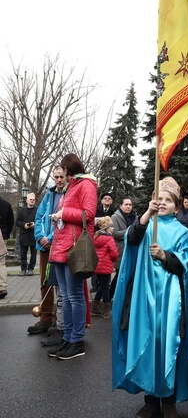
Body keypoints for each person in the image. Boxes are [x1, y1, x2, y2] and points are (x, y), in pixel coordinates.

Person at [112, 177, 188, 418]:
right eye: (160, 199)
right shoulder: (147, 225)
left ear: (177, 207)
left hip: (170, 300)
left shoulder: (183, 232)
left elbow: (185, 264)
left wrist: (164, 256)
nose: (164, 202)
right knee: (147, 344)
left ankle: (168, 401)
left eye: (169, 200)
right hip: (144, 297)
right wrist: (148, 213)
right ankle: (150, 400)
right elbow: (132, 239)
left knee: (169, 345)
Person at [48, 153, 97, 360]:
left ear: (71, 168)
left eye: (64, 171)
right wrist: (57, 219)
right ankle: (67, 337)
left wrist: (63, 214)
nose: (62, 176)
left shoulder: (86, 184)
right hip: (62, 246)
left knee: (75, 296)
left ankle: (77, 340)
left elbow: (89, 214)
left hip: (74, 248)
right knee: (66, 297)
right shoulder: (72, 187)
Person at [27, 166, 66, 337]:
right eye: (56, 176)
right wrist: (41, 237)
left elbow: (62, 220)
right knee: (45, 282)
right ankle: (45, 318)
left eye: (61, 176)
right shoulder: (48, 195)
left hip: (59, 246)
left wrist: (50, 238)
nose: (58, 180)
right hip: (44, 247)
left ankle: (59, 321)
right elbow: (39, 217)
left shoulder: (69, 194)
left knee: (59, 284)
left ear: (66, 177)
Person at [91, 216, 119, 319]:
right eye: (111, 227)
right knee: (106, 288)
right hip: (106, 266)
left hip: (97, 267)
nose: (113, 229)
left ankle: (94, 307)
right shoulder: (109, 238)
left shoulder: (96, 237)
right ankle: (105, 311)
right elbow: (114, 253)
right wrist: (114, 259)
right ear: (106, 228)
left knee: (102, 287)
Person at [109, 197, 136, 299]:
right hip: (121, 250)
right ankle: (108, 296)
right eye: (126, 204)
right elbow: (114, 233)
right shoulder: (115, 217)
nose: (128, 207)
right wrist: (130, 230)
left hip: (132, 249)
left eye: (130, 205)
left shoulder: (134, 216)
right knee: (119, 275)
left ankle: (125, 297)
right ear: (120, 206)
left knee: (129, 275)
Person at [91, 192, 116, 293]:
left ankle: (105, 284)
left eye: (109, 198)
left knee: (105, 264)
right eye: (105, 198)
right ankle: (94, 284)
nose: (107, 200)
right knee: (95, 261)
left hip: (108, 238)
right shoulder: (96, 210)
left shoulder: (114, 211)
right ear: (101, 200)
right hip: (96, 237)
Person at [16, 192, 37, 276]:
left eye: (33, 200)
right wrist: (24, 225)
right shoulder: (21, 211)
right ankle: (23, 269)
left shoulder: (37, 210)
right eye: (30, 199)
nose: (32, 201)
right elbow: (17, 222)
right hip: (24, 235)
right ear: (27, 201)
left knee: (34, 254)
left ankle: (31, 268)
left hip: (34, 235)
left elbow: (41, 220)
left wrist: (34, 224)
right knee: (23, 254)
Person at [0, 195, 14, 299]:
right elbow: (11, 222)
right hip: (3, 235)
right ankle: (2, 287)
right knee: (1, 262)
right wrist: (6, 234)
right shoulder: (6, 205)